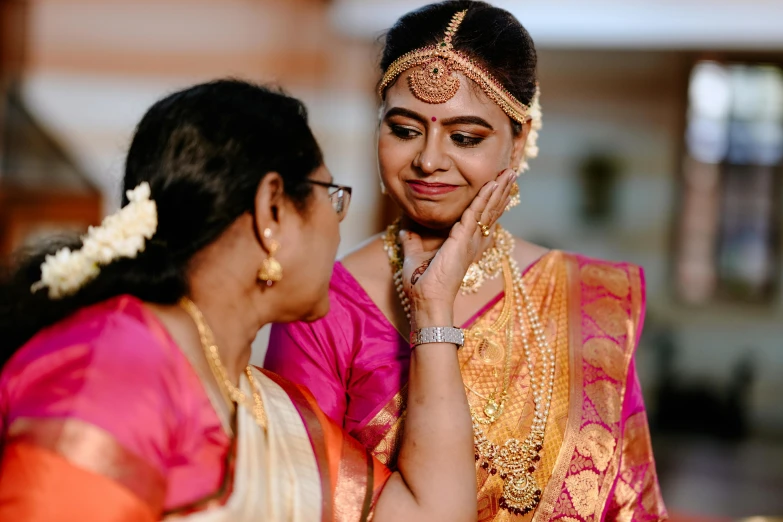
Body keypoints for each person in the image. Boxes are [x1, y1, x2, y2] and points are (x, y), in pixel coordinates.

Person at [0, 79, 513, 521]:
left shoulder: (270, 404)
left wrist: (433, 306)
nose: (337, 229)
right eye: (330, 197)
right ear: (272, 208)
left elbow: (432, 514)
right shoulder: (111, 371)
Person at [265, 2, 668, 521]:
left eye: (465, 138)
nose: (429, 160)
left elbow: (632, 504)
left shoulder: (585, 298)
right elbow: (302, 504)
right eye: (405, 130)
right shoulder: (319, 306)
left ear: (517, 141)